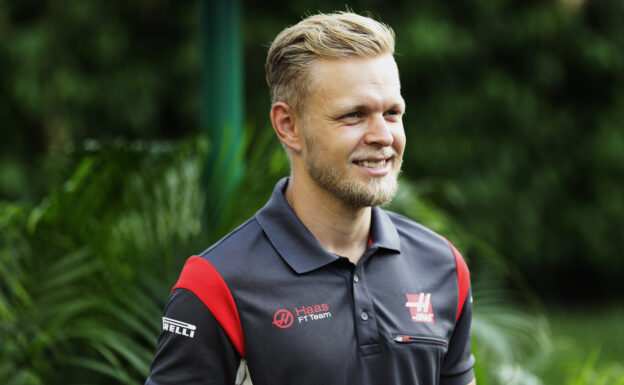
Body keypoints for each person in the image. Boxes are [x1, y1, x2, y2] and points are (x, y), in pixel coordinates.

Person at [146, 11, 476, 385]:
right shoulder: (215, 285)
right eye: (354, 115)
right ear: (289, 126)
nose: (383, 135)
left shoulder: (444, 266)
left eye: (392, 113)